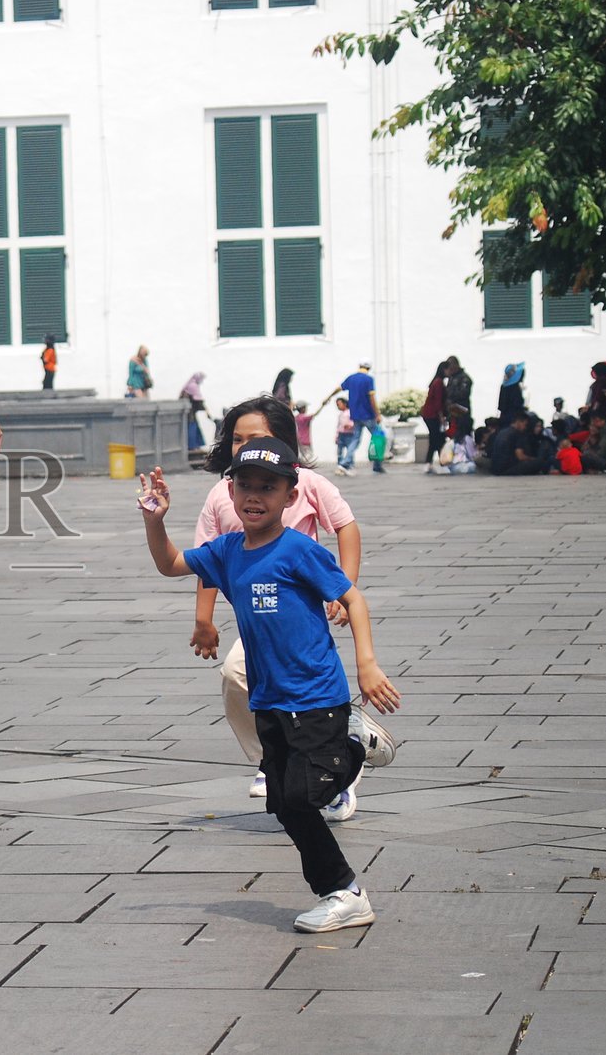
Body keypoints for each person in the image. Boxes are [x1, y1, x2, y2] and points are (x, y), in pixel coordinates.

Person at [140, 438, 401, 933]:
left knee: (304, 796)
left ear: (290, 495)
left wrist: (367, 665)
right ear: (230, 490)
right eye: (245, 486)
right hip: (269, 699)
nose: (254, 496)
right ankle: (344, 893)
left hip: (318, 697)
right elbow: (171, 564)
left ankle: (353, 744)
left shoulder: (299, 550)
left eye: (268, 487)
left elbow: (355, 600)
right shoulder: (228, 551)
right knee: (283, 803)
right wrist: (155, 520)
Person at [190, 396, 366, 809]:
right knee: (239, 679)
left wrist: (345, 588)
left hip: (299, 613)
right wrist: (203, 619)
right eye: (236, 439)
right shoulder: (223, 494)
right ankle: (275, 759)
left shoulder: (304, 483)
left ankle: (333, 758)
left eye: (256, 437)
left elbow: (346, 526)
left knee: (251, 674)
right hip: (257, 616)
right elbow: (206, 558)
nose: (243, 445)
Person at [323, 361, 384, 473]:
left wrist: (328, 397)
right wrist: (377, 414)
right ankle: (377, 464)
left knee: (355, 439)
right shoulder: (368, 379)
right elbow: (372, 398)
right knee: (378, 436)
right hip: (368, 414)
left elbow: (339, 388)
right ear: (369, 368)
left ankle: (345, 463)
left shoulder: (351, 378)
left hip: (355, 414)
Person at [488, 411, 547, 476]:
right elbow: (520, 456)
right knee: (539, 462)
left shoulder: (502, 432)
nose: (525, 427)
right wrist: (532, 459)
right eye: (525, 425)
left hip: (495, 469)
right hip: (507, 469)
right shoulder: (517, 434)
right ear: (519, 422)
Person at [420, 362, 448, 469]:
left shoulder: (436, 382)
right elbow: (438, 401)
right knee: (437, 438)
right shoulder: (439, 383)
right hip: (433, 415)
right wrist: (441, 417)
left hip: (429, 414)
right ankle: (441, 462)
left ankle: (430, 462)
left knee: (434, 438)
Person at [442, 355, 473, 440]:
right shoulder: (452, 378)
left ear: (455, 365)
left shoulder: (465, 378)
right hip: (452, 414)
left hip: (462, 414)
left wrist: (450, 396)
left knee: (463, 438)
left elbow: (463, 394)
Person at [292, 398, 328, 468]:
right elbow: (315, 414)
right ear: (302, 408)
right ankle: (302, 465)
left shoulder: (296, 417)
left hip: (299, 439)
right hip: (306, 440)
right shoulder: (305, 418)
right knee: (309, 455)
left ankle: (301, 465)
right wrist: (322, 406)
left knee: (303, 454)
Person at [180, 372, 209, 451]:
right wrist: (207, 412)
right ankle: (192, 446)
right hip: (189, 412)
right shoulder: (193, 386)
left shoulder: (190, 385)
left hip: (189, 411)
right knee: (192, 428)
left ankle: (195, 445)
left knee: (193, 427)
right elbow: (199, 400)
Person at [332, 396, 356, 474]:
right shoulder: (340, 414)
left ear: (345, 404)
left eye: (339, 404)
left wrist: (350, 425)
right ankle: (340, 466)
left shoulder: (350, 412)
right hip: (341, 434)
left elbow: (354, 422)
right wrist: (336, 436)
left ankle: (350, 466)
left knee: (349, 450)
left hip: (349, 434)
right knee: (339, 452)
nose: (338, 406)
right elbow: (338, 426)